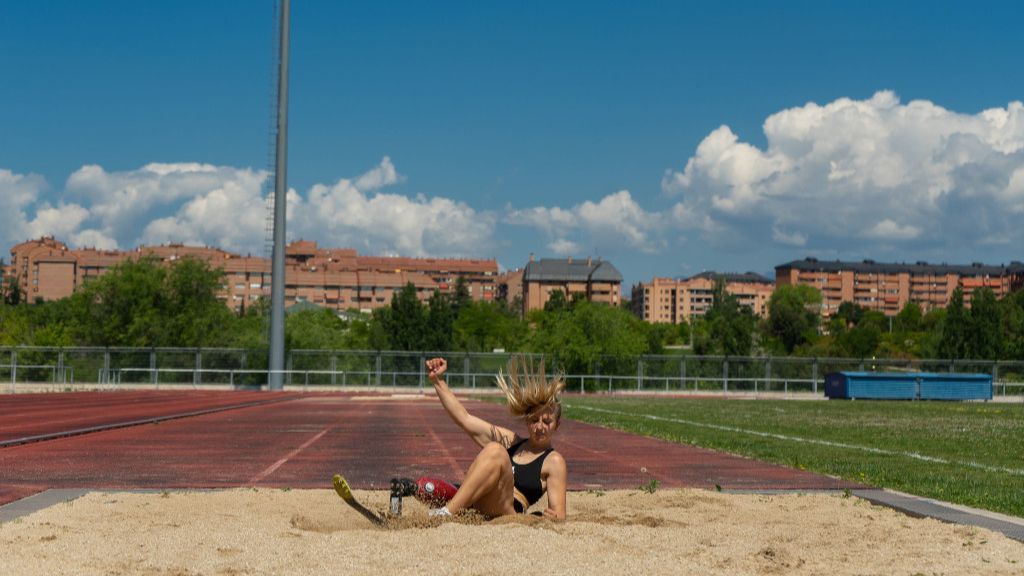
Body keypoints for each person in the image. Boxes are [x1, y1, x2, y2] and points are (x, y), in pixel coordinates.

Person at [425, 356, 567, 520]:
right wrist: (438, 380)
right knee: (495, 450)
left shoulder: (554, 461)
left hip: (508, 511)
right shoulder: (511, 442)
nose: (540, 426)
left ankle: (447, 512)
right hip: (482, 500)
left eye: (547, 421)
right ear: (527, 422)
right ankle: (452, 506)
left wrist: (553, 517)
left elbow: (559, 514)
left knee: (496, 450)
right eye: (534, 420)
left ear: (557, 425)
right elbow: (464, 418)